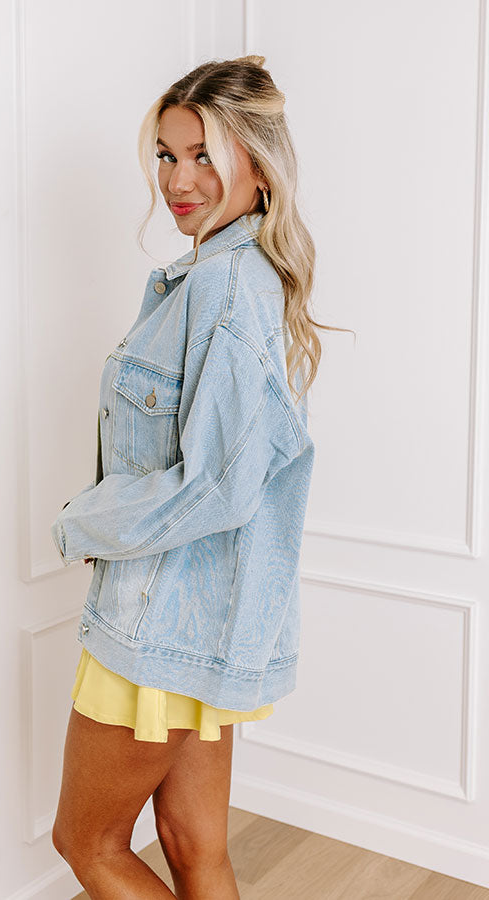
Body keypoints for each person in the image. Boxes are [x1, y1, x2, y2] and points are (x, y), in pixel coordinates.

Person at [50, 54, 341, 900]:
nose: (179, 181)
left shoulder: (224, 288)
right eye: (168, 155)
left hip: (159, 622)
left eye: (205, 155)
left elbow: (219, 485)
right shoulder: (228, 278)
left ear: (261, 166)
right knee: (194, 847)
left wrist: (81, 521)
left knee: (89, 844)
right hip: (207, 620)